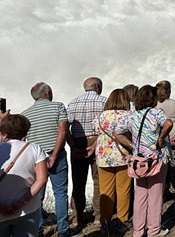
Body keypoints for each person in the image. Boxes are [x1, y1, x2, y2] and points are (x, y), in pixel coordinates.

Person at [21, 82, 75, 237]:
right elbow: (63, 131)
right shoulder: (58, 106)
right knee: (60, 193)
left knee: (37, 195)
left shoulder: (25, 114)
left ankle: (36, 230)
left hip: (35, 159)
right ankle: (63, 230)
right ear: (46, 93)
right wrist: (54, 155)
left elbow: (23, 139)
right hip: (56, 156)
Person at [118, 85, 172, 237]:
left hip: (139, 160)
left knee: (140, 196)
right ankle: (154, 230)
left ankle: (138, 231)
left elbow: (116, 131)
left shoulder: (132, 116)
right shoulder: (156, 113)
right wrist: (160, 139)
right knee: (155, 195)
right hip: (156, 158)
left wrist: (131, 145)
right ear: (153, 98)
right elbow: (168, 123)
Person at [91, 89, 132, 234]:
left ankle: (105, 222)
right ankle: (122, 219)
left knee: (106, 191)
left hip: (103, 158)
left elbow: (95, 129)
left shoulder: (101, 116)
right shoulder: (128, 115)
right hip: (123, 156)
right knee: (123, 189)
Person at [66, 77, 106, 226]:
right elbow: (107, 125)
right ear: (96, 86)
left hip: (77, 141)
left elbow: (64, 127)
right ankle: (98, 216)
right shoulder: (104, 101)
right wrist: (95, 144)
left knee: (78, 181)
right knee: (99, 180)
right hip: (98, 141)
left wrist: (73, 146)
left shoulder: (73, 102)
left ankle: (76, 218)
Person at [0, 114, 48, 237]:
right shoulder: (35, 149)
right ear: (26, 131)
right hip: (27, 209)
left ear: (4, 133)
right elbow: (42, 179)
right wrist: (21, 203)